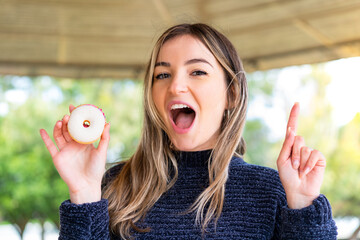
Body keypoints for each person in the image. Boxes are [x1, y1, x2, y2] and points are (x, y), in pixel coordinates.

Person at [39, 23, 337, 239]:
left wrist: (303, 207)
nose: (175, 86)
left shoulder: (272, 192)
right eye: (163, 74)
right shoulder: (115, 187)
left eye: (197, 72)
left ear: (232, 94)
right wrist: (84, 194)